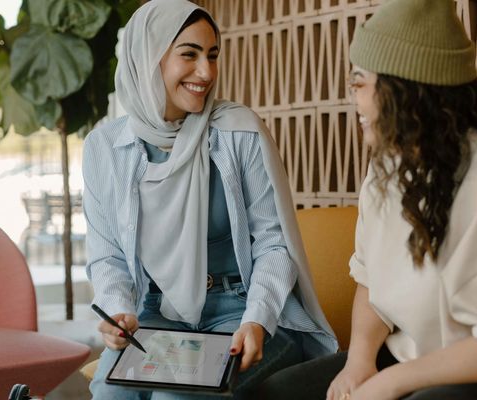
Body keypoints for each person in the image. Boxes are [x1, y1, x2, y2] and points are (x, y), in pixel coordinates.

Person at [82, 0, 338, 399]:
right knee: (113, 395)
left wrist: (256, 320)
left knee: (173, 396)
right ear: (148, 58)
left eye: (213, 56)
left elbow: (274, 244)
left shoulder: (238, 132)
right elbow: (107, 254)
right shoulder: (104, 147)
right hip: (156, 313)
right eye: (189, 54)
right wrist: (118, 311)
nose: (206, 72)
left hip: (242, 313)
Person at [259, 0, 477, 399]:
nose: (352, 95)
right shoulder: (388, 164)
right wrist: (359, 362)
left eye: (360, 81)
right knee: (277, 393)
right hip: (406, 356)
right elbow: (371, 281)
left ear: (406, 89)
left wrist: (390, 383)